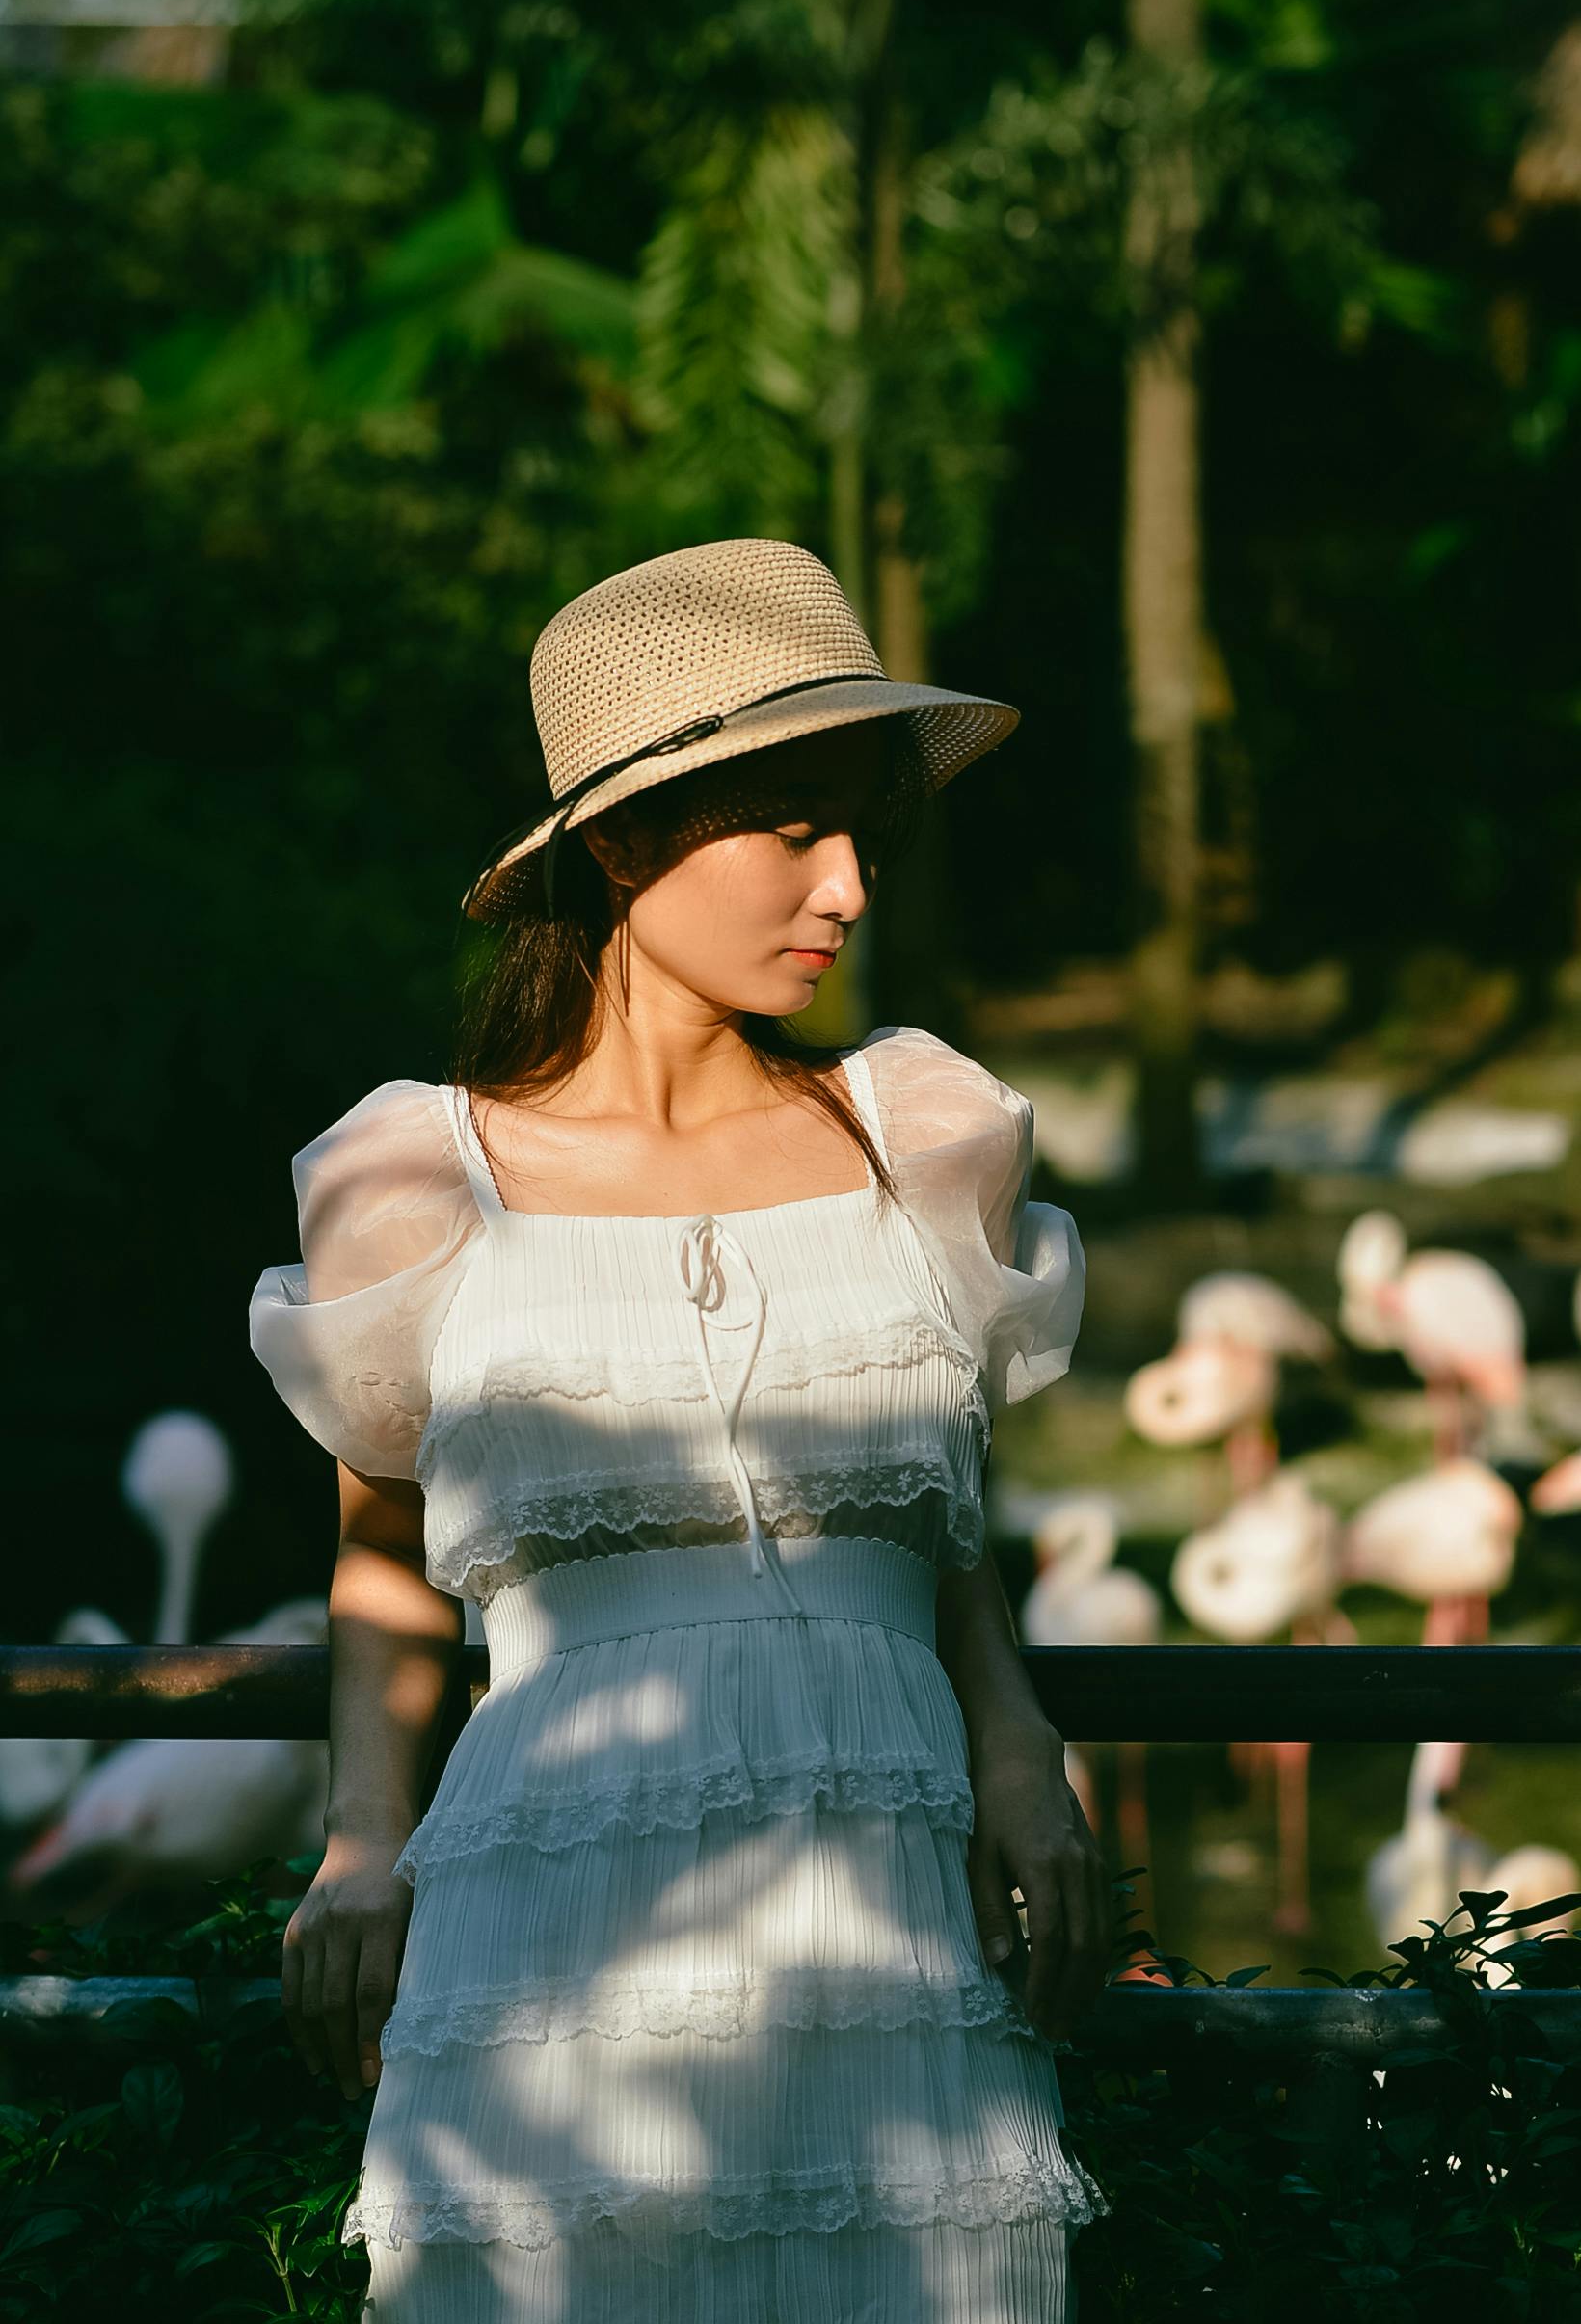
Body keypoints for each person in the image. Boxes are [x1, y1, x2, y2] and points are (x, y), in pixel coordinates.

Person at [250, 537, 1110, 2320]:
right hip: (559, 1905)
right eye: (797, 825)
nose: (851, 884)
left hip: (887, 1894)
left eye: (863, 827)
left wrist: (1018, 1741)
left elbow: (949, 1530)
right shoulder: (422, 1174)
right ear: (630, 840)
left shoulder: (919, 1136)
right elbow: (378, 1544)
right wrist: (355, 1837)